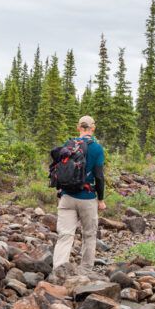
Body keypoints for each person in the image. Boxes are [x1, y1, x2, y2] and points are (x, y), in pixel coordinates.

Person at [52, 115, 107, 271]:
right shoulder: (96, 148)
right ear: (93, 128)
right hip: (87, 198)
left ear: (78, 128)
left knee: (65, 235)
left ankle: (58, 269)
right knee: (89, 235)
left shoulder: (68, 144)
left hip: (67, 197)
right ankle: (85, 271)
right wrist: (101, 199)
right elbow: (99, 176)